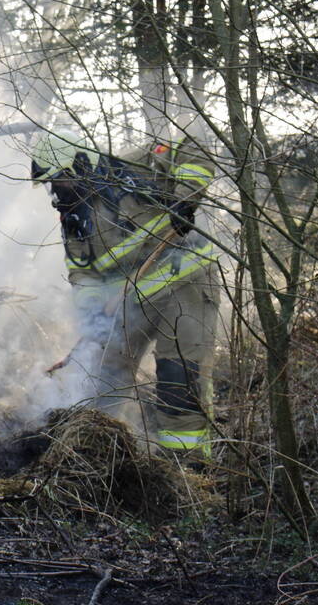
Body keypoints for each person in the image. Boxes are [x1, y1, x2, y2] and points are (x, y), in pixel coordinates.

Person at [32, 130, 220, 461]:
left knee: (179, 381)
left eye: (61, 179)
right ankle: (95, 460)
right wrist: (93, 318)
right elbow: (82, 273)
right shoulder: (74, 221)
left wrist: (184, 200)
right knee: (102, 377)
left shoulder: (132, 167)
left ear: (82, 164)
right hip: (131, 301)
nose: (57, 190)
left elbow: (194, 142)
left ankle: (189, 472)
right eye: (51, 184)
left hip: (185, 284)